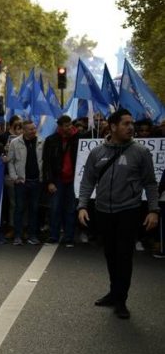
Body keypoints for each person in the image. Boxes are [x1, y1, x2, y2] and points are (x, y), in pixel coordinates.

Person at [77, 108, 159, 320]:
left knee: (124, 256)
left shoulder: (140, 152)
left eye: (132, 123)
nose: (131, 127)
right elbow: (87, 181)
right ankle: (114, 293)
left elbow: (150, 183)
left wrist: (153, 210)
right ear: (113, 127)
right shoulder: (97, 152)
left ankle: (121, 300)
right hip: (103, 212)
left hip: (128, 212)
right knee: (110, 255)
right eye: (126, 123)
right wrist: (83, 206)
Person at [43, 115, 80, 246]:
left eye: (70, 124)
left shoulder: (78, 138)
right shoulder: (51, 140)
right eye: (66, 125)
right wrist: (50, 181)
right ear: (60, 127)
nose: (69, 127)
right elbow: (46, 163)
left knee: (70, 209)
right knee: (55, 208)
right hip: (57, 179)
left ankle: (69, 237)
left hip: (73, 180)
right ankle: (54, 235)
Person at [8, 120, 44, 245]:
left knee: (34, 209)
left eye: (34, 128)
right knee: (19, 209)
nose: (33, 131)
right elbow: (10, 161)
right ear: (23, 130)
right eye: (30, 129)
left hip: (36, 181)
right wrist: (14, 177)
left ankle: (32, 235)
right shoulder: (14, 142)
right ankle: (18, 236)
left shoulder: (41, 141)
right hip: (22, 182)